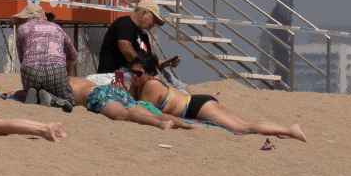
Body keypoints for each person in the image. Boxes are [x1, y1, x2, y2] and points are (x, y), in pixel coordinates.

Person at [129, 54, 307, 141]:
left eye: (138, 73)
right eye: (132, 72)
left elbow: (142, 109)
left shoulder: (151, 85)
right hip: (198, 103)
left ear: (151, 73)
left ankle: (290, 130)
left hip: (196, 107)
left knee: (242, 128)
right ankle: (281, 131)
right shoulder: (143, 83)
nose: (134, 76)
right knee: (244, 124)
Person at [13, 2, 78, 111]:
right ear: (43, 15)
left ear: (27, 18)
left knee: (29, 88)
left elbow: (22, 58)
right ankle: (52, 99)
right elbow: (73, 55)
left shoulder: (22, 29)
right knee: (69, 101)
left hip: (31, 70)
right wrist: (67, 74)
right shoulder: (57, 28)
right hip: (56, 70)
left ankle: (35, 94)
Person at [97, 0, 161, 74]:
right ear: (144, 13)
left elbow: (148, 61)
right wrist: (143, 66)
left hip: (132, 77)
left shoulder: (143, 35)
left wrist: (161, 64)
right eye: (154, 19)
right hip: (113, 76)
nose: (154, 24)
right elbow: (125, 47)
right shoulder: (125, 24)